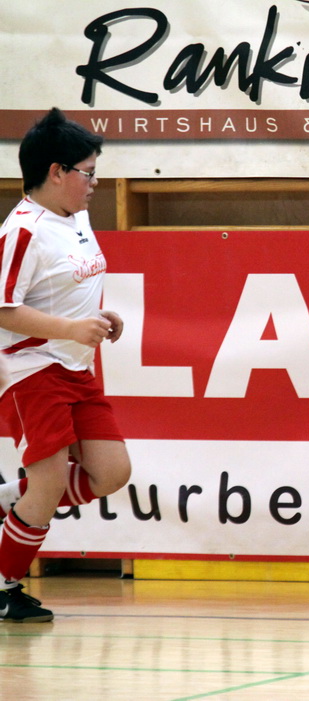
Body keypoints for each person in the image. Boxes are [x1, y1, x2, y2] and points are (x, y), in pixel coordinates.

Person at [0, 108, 131, 622]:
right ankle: (5, 586)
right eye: (88, 173)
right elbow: (4, 308)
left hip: (78, 368)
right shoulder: (22, 230)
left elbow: (68, 287)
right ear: (56, 172)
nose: (94, 182)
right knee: (50, 483)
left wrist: (99, 317)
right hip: (31, 368)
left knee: (112, 472)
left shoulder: (76, 216)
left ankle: (9, 499)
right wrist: (71, 329)